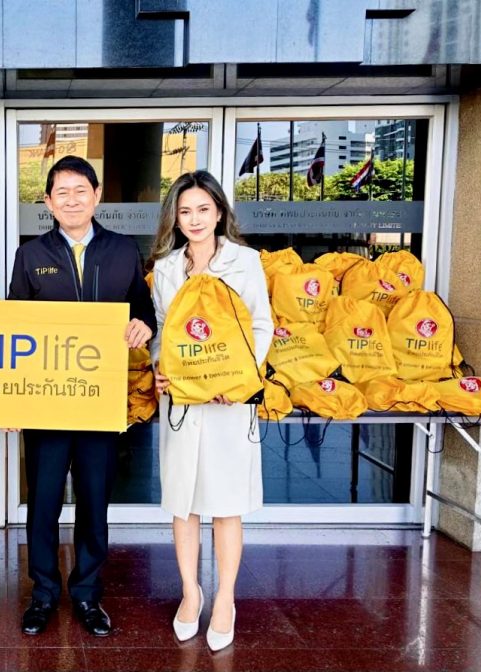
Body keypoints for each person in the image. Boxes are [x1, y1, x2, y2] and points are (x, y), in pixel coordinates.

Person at [8, 156, 157, 637]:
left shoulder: (123, 250)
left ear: (96, 196)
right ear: (48, 202)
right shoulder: (30, 255)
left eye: (80, 191)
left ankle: (88, 594)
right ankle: (43, 594)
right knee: (43, 503)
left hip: (99, 402)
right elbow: (14, 328)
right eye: (61, 193)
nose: (71, 200)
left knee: (95, 503)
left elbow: (143, 309)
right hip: (48, 404)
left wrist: (143, 325)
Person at [149, 170, 272, 651]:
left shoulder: (245, 261)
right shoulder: (166, 268)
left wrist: (235, 378)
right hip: (183, 402)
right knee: (184, 501)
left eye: (203, 209)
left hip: (229, 402)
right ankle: (189, 592)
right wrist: (160, 367)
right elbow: (163, 330)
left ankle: (225, 599)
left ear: (219, 212)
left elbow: (261, 326)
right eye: (185, 211)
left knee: (225, 503)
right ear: (175, 219)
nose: (195, 219)